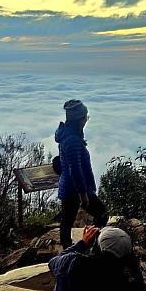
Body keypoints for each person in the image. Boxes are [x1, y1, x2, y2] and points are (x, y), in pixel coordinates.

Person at [55, 99, 108, 248]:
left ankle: (67, 249)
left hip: (69, 186)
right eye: (85, 117)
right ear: (79, 119)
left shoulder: (67, 135)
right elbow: (75, 169)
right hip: (75, 188)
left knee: (67, 221)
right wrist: (83, 194)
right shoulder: (72, 140)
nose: (86, 120)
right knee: (101, 213)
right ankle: (93, 244)